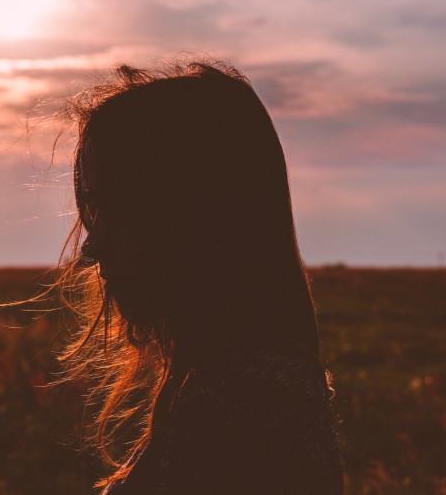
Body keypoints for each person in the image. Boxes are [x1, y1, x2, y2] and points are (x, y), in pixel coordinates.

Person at [54, 59, 343, 494]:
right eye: (94, 210)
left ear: (200, 216)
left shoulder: (250, 399)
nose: (91, 246)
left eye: (122, 209)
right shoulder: (226, 381)